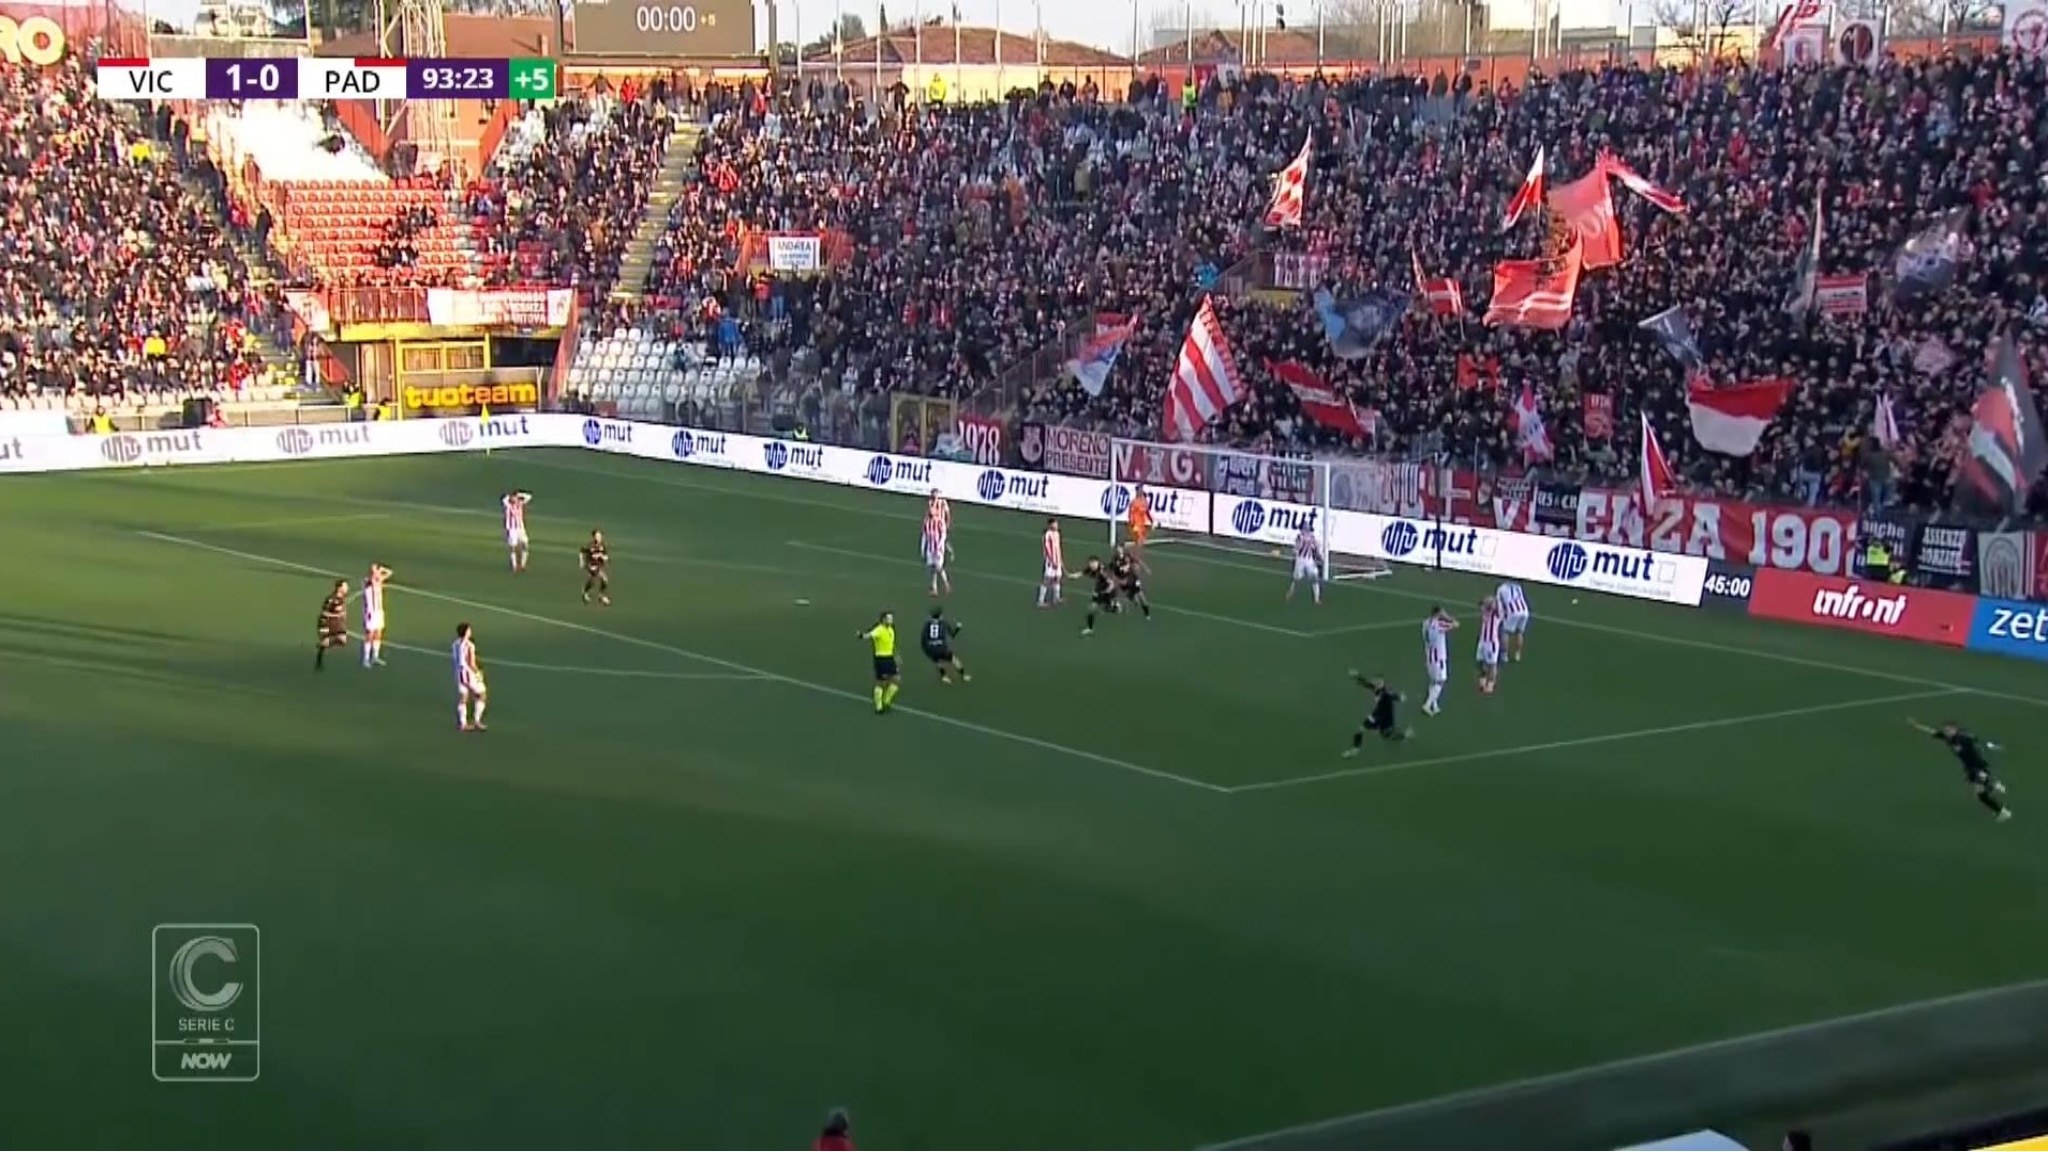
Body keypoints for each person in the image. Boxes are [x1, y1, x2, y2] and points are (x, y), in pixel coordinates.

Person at [1908, 718, 2013, 821]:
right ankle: (2001, 808)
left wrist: (1993, 746)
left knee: (1980, 783)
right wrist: (1916, 725)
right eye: (1945, 730)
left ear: (1955, 729)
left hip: (1978, 765)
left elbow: (1980, 742)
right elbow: (1931, 731)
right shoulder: (1946, 737)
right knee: (1981, 796)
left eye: (1949, 730)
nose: (1947, 732)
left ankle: (1995, 786)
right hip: (1970, 767)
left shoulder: (1964, 738)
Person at [1342, 671, 1411, 755]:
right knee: (1361, 729)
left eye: (1379, 682)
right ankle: (1355, 749)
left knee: (1386, 736)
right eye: (1376, 681)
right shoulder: (1376, 689)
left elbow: (1392, 696)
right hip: (1376, 714)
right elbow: (1366, 684)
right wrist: (1357, 676)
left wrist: (1400, 698)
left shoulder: (1385, 693)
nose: (1377, 683)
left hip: (1384, 718)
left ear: (1382, 683)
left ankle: (1405, 735)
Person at [860, 610, 901, 713]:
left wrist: (895, 656)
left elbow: (891, 644)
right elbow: (869, 635)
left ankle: (886, 700)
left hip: (890, 658)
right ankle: (879, 706)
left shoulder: (891, 629)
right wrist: (861, 635)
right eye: (889, 618)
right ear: (883, 620)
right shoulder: (879, 629)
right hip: (881, 659)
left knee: (896, 679)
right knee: (881, 682)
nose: (891, 620)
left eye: (892, 618)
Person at [921, 604, 970, 683]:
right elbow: (953, 635)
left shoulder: (927, 625)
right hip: (942, 648)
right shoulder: (944, 623)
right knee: (955, 660)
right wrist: (958, 628)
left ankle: (944, 676)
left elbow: (923, 639)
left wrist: (927, 650)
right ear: (940, 616)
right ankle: (963, 676)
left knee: (937, 661)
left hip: (931, 648)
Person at [1071, 555, 1119, 636]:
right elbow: (1082, 573)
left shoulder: (1103, 572)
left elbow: (1112, 584)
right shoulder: (1090, 569)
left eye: (1093, 563)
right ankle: (1090, 628)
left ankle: (1114, 605)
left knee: (1109, 606)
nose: (1091, 565)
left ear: (1098, 563)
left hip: (1109, 592)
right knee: (1091, 609)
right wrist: (1074, 576)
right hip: (1100, 590)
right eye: (1090, 563)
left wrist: (1106, 592)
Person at [453, 622, 488, 732]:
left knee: (464, 697)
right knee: (482, 694)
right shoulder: (469, 645)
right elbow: (471, 663)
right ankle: (477, 721)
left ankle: (463, 724)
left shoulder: (455, 643)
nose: (470, 631)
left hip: (459, 673)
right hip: (468, 674)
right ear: (466, 632)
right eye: (469, 629)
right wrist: (478, 673)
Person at [1422, 606, 1456, 715]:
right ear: (1438, 613)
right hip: (1439, 658)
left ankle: (1434, 705)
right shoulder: (1439, 624)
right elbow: (1455, 624)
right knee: (1441, 681)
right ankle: (1427, 705)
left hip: (1429, 657)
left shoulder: (1425, 623)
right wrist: (1448, 617)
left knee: (1433, 681)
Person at [361, 562, 392, 668]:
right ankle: (366, 659)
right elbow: (371, 580)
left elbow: (390, 573)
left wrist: (382, 569)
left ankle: (375, 656)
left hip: (379, 611)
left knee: (378, 633)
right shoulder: (367, 582)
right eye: (375, 571)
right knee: (370, 635)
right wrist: (376, 571)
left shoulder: (378, 580)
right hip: (371, 612)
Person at [315, 579, 349, 671]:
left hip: (335, 623)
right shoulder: (331, 599)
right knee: (325, 642)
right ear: (339, 588)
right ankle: (318, 662)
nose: (347, 588)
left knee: (342, 640)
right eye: (345, 586)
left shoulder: (342, 599)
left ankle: (323, 645)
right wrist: (337, 615)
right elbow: (324, 613)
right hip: (325, 622)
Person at [1109, 545, 1152, 620]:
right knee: (1132, 598)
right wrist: (1117, 581)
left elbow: (1137, 561)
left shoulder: (1128, 556)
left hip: (1132, 579)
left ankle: (1147, 614)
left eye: (1120, 549)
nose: (1118, 550)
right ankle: (1131, 600)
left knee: (1142, 597)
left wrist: (1145, 568)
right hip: (1123, 582)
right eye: (1117, 549)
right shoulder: (1114, 560)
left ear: (1122, 549)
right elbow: (1112, 573)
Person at [1287, 521, 1323, 605]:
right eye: (1305, 526)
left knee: (1315, 578)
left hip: (1309, 560)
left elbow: (1316, 547)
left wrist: (1319, 556)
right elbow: (1297, 547)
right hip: (1300, 560)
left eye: (1307, 526)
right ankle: (1290, 592)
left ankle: (1316, 599)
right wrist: (1296, 551)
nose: (1307, 527)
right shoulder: (1300, 536)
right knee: (1296, 579)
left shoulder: (1312, 537)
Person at [922, 496, 952, 597]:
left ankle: (946, 584)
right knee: (932, 568)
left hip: (938, 549)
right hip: (930, 549)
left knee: (939, 567)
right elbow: (925, 536)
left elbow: (943, 536)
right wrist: (923, 548)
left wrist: (939, 546)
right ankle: (934, 588)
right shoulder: (927, 522)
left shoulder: (940, 522)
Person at [1496, 581, 1530, 662]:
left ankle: (1504, 655)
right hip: (1524, 611)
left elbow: (1499, 605)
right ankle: (1517, 654)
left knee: (1505, 632)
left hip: (1513, 612)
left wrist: (1500, 615)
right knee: (1519, 632)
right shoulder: (1517, 586)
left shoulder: (1501, 589)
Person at [1475, 596, 1503, 694]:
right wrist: (1485, 601)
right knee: (1480, 661)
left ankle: (1491, 684)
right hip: (1482, 641)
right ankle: (1483, 681)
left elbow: (1495, 607)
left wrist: (1491, 602)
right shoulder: (1486, 611)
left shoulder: (1498, 613)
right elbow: (1480, 603)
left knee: (1492, 664)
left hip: (1492, 643)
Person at [503, 491, 532, 573]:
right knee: (513, 547)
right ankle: (514, 566)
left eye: (515, 497)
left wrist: (520, 494)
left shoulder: (520, 504)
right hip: (512, 529)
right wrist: (510, 497)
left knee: (525, 545)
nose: (514, 499)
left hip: (520, 528)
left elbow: (529, 497)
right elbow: (504, 499)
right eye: (513, 497)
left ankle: (523, 565)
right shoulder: (508, 505)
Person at [1037, 518, 1064, 608]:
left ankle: (1056, 597)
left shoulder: (1057, 534)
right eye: (1055, 524)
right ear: (1050, 525)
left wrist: (1060, 560)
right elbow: (1047, 549)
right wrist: (1053, 561)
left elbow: (1058, 548)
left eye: (1057, 524)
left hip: (1057, 560)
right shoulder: (1047, 535)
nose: (1056, 525)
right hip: (1050, 562)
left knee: (1057, 578)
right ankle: (1040, 601)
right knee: (1047, 580)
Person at [580, 530, 611, 606]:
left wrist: (601, 556)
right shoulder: (590, 545)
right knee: (601, 578)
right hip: (591, 565)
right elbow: (582, 551)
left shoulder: (603, 546)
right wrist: (582, 561)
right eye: (597, 536)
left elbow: (606, 557)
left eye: (600, 536)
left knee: (600, 581)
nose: (599, 538)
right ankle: (600, 596)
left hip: (598, 565)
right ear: (593, 537)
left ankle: (588, 592)